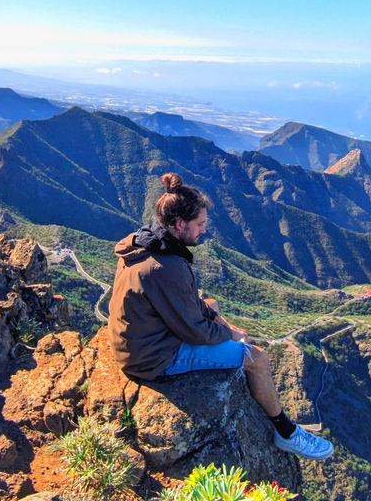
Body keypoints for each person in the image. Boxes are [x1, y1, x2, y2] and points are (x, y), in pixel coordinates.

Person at [107, 172, 334, 460]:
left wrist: (221, 322)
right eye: (200, 224)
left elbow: (187, 303)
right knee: (257, 358)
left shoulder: (144, 243)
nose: (203, 231)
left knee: (212, 306)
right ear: (180, 224)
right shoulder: (165, 267)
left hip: (140, 339)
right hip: (153, 358)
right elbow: (195, 332)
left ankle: (234, 354)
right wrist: (232, 335)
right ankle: (286, 432)